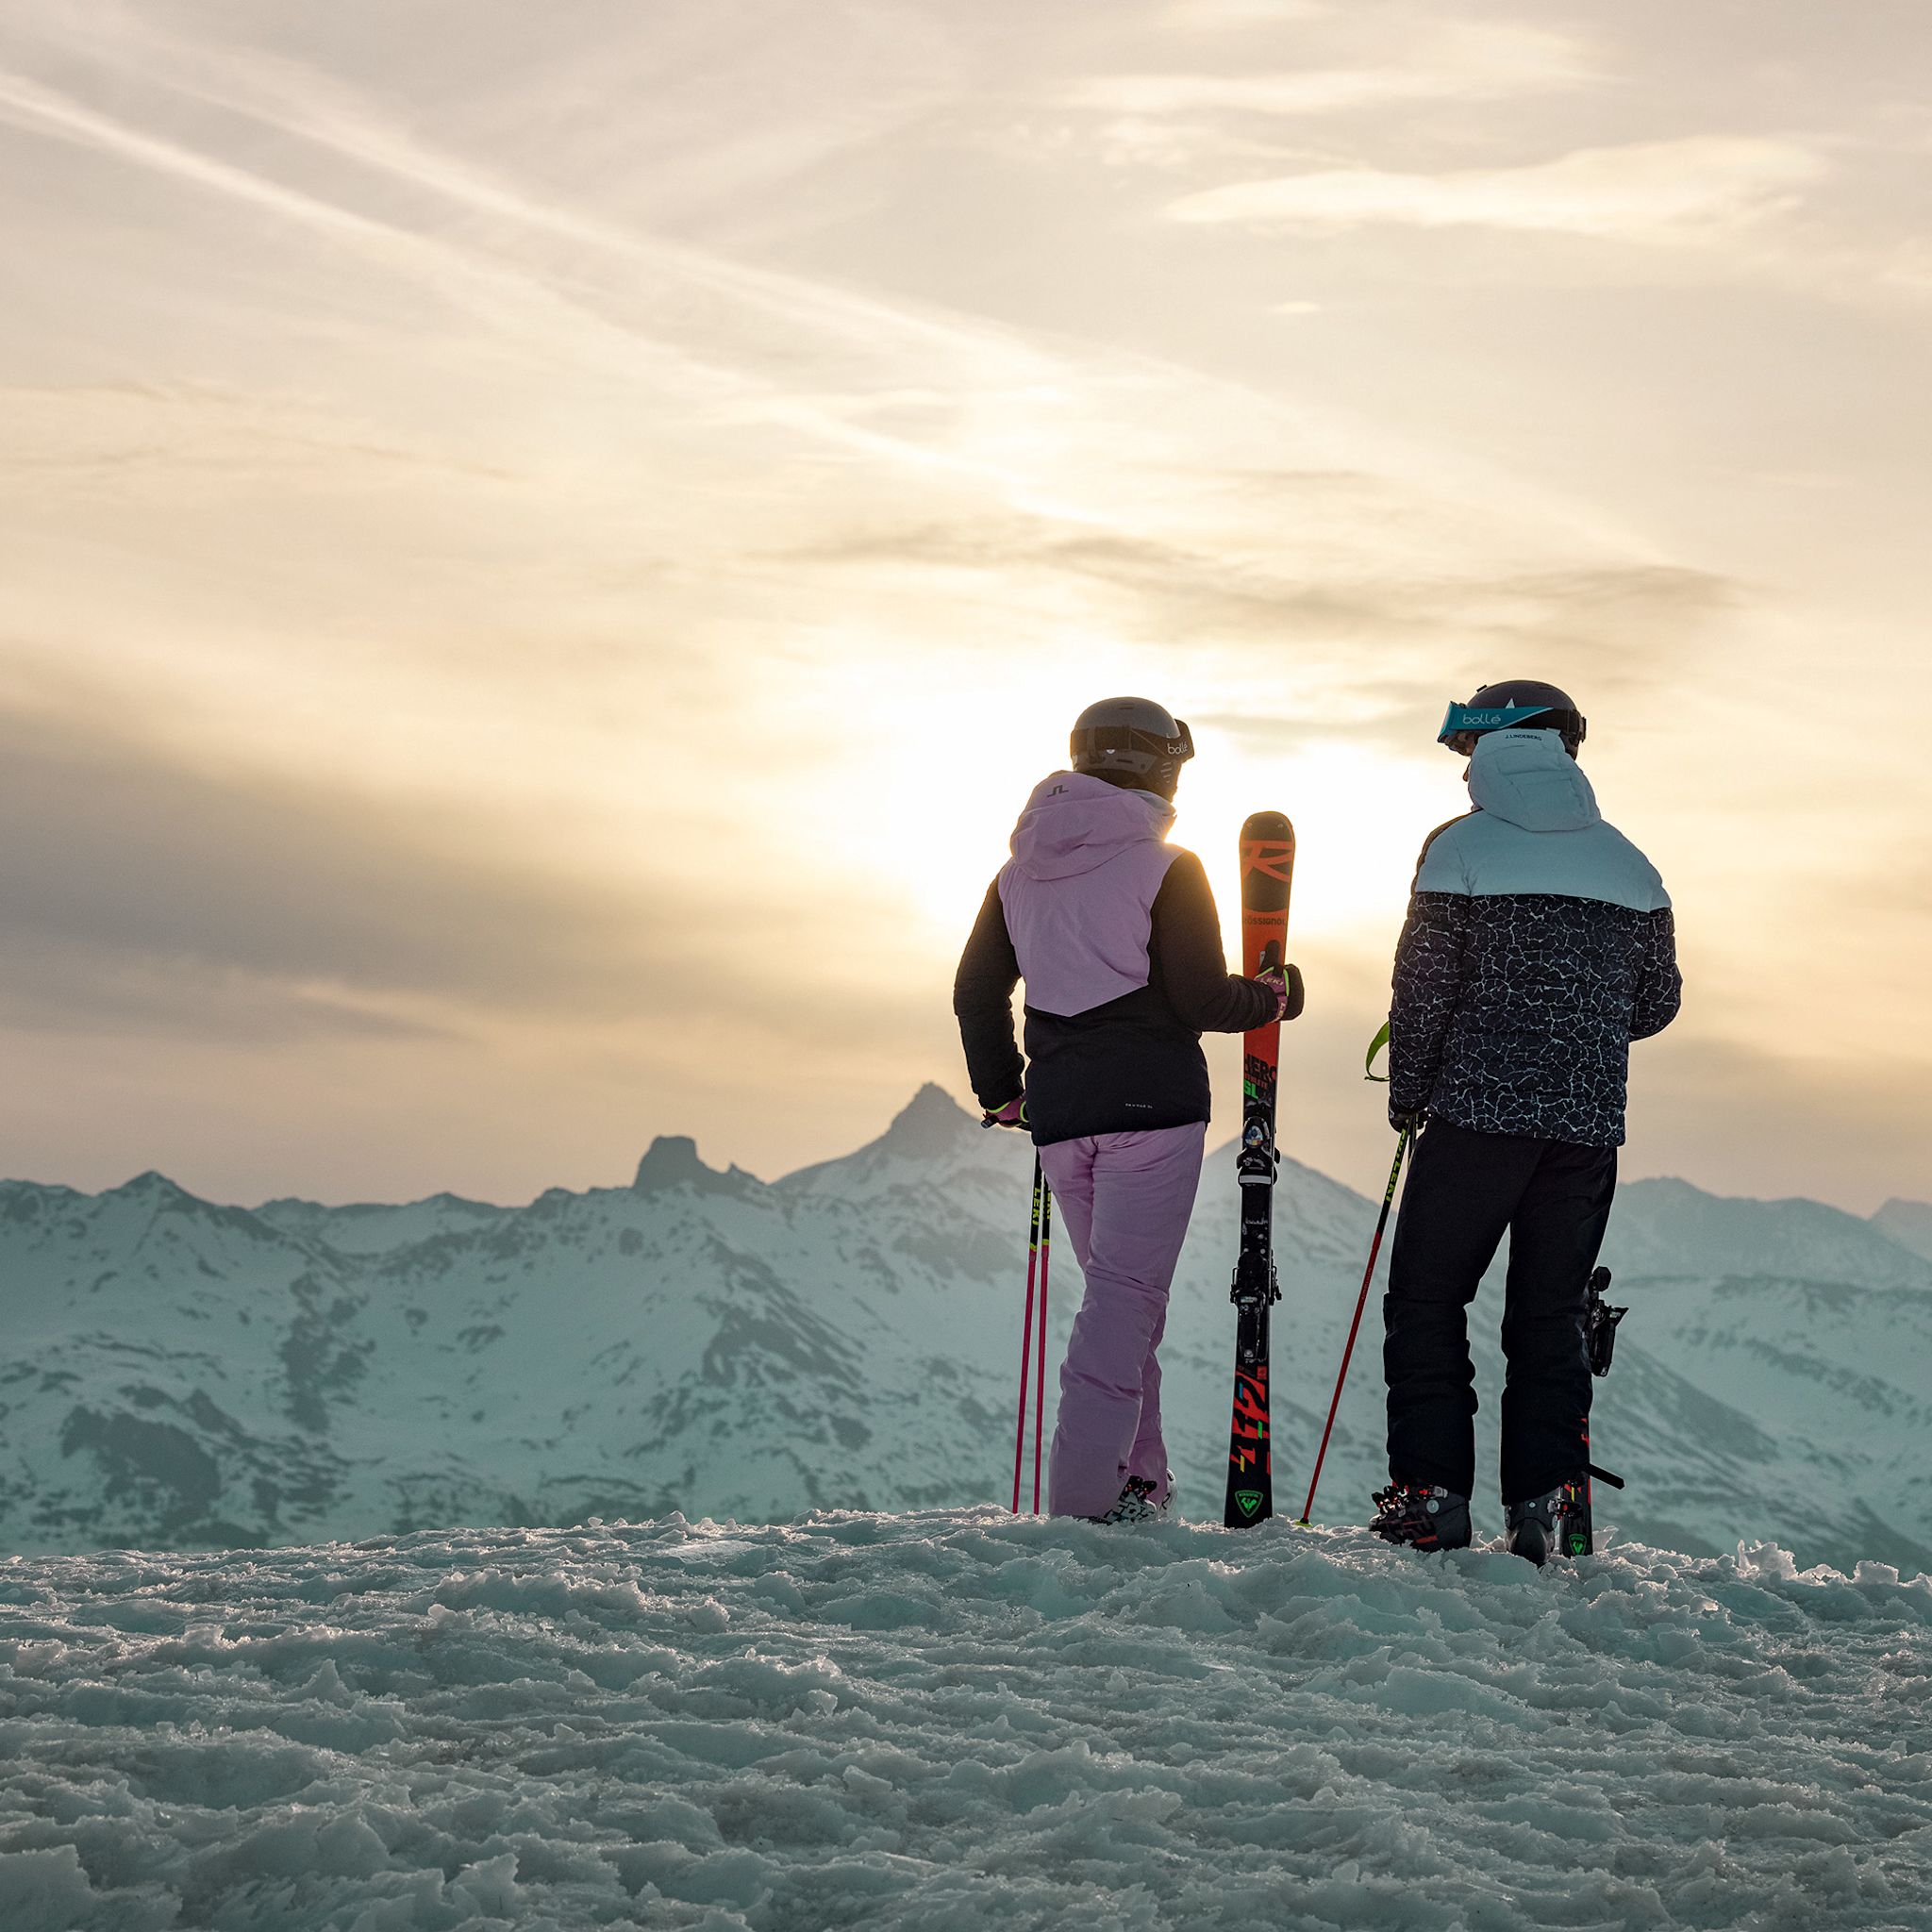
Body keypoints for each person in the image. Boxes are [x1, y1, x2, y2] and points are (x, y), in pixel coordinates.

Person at [954, 697, 1301, 1524]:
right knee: (1124, 1303)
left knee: (1121, 1300)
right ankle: (1081, 1505)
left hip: (1063, 1120)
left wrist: (1005, 1093)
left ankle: (1138, 1481)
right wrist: (1276, 998)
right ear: (1161, 768)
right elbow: (1200, 995)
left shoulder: (1016, 875)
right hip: (1153, 1112)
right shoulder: (1166, 867)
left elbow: (976, 995)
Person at [1374, 680, 1681, 1563]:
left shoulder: (1456, 848)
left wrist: (1410, 1095)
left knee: (1429, 1300)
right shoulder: (1629, 860)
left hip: (1474, 1116)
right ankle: (1545, 1504)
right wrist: (1577, 1024)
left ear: (1490, 752)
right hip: (1585, 1126)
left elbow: (1423, 989)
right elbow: (1655, 1004)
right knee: (1549, 1317)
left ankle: (1432, 1498)